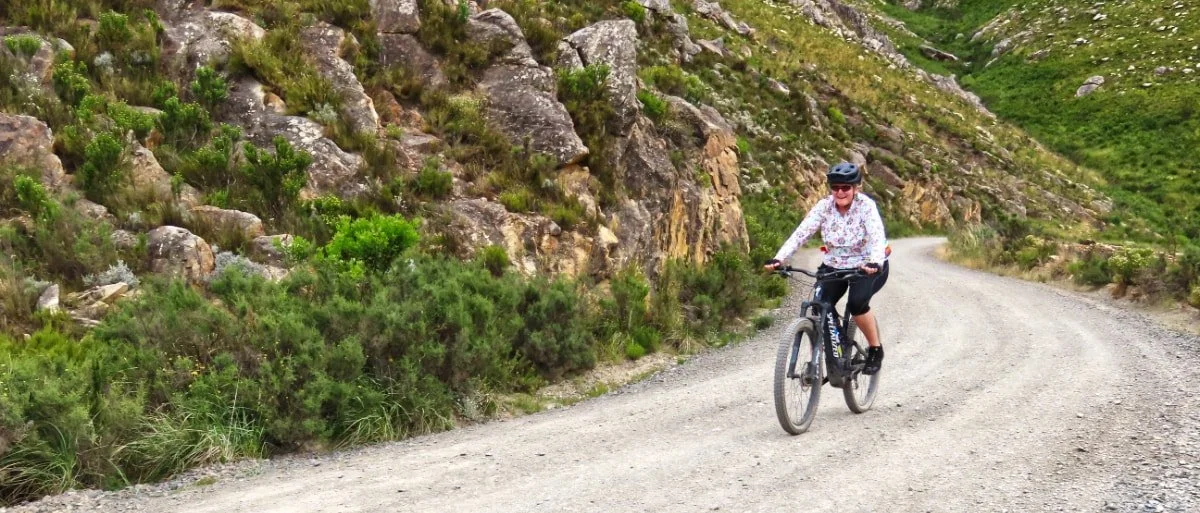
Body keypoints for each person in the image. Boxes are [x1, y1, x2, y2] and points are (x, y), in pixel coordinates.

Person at [763, 162, 890, 375]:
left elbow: (877, 237)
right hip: (834, 266)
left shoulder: (865, 206)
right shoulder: (824, 206)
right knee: (820, 304)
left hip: (867, 265)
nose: (840, 192)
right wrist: (779, 258)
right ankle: (837, 348)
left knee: (857, 303)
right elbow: (801, 233)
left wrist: (874, 262)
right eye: (836, 188)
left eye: (846, 188)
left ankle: (875, 349)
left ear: (856, 188)